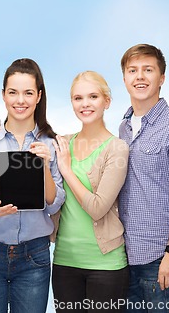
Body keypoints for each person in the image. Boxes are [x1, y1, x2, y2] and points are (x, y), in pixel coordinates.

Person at [0, 58, 65, 313]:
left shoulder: (51, 144)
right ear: (3, 95)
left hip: (34, 257)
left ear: (39, 96)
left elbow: (54, 205)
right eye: (13, 92)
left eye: (28, 93)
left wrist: (43, 165)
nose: (20, 100)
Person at [118, 44, 169, 313]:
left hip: (160, 256)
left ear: (161, 78)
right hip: (126, 255)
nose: (140, 76)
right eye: (133, 70)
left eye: (148, 70)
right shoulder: (124, 126)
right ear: (125, 78)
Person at [51, 71, 130, 312]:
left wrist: (66, 169)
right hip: (64, 261)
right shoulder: (61, 143)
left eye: (93, 96)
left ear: (107, 101)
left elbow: (98, 208)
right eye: (78, 98)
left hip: (105, 266)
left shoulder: (117, 149)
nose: (85, 104)